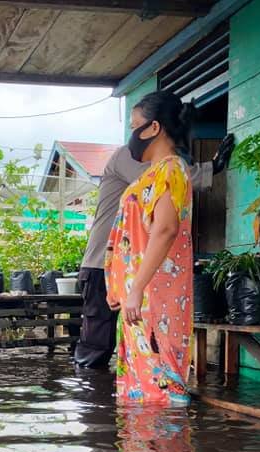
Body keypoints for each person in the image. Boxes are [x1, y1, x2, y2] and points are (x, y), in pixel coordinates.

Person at [74, 129, 234, 369]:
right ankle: (92, 399)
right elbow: (157, 180)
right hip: (103, 265)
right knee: (97, 344)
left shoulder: (165, 167)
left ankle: (108, 401)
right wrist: (210, 169)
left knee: (136, 345)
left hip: (135, 267)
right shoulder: (127, 158)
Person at [105, 90, 197, 406]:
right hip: (139, 303)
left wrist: (136, 288)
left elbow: (166, 229)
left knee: (161, 391)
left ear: (153, 128)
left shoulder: (171, 169)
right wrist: (123, 288)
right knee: (140, 393)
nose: (131, 135)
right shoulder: (153, 174)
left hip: (155, 300)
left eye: (135, 125)